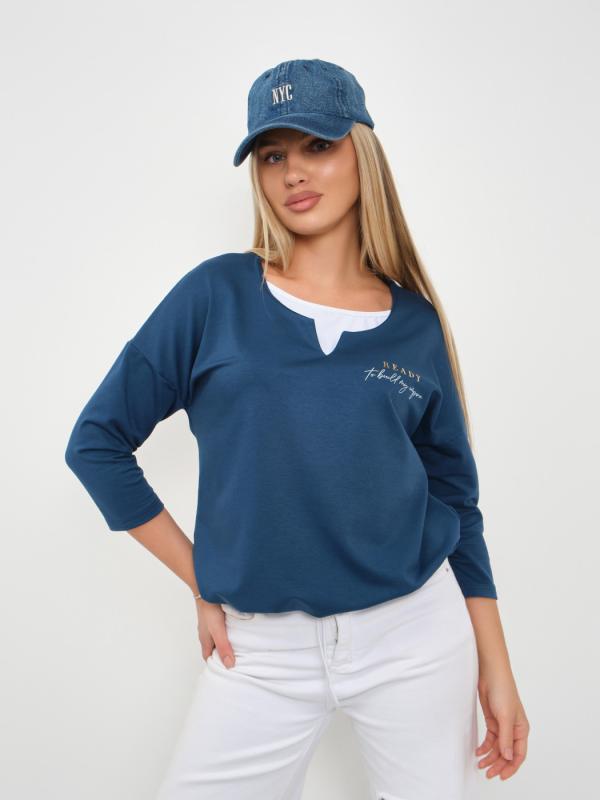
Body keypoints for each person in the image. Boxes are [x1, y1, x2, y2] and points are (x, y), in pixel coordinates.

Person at [65, 58, 530, 799]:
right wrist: (202, 579)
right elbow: (96, 443)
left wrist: (495, 666)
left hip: (415, 637)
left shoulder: (414, 324)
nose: (293, 173)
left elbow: (454, 500)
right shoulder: (215, 295)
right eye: (272, 155)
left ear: (362, 153)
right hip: (260, 654)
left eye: (317, 145)